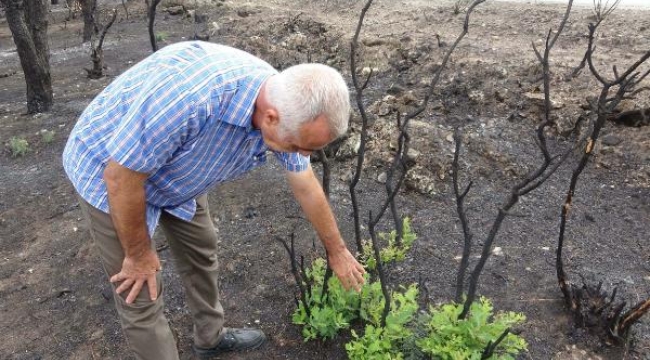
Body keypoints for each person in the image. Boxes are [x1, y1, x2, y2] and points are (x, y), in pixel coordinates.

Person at [62, 41, 366, 360]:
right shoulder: (191, 97)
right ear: (271, 117)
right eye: (298, 146)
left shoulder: (287, 105)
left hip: (179, 169)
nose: (303, 155)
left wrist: (338, 251)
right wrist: (138, 254)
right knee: (140, 289)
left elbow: (305, 184)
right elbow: (121, 176)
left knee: (201, 248)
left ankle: (210, 337)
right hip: (111, 171)